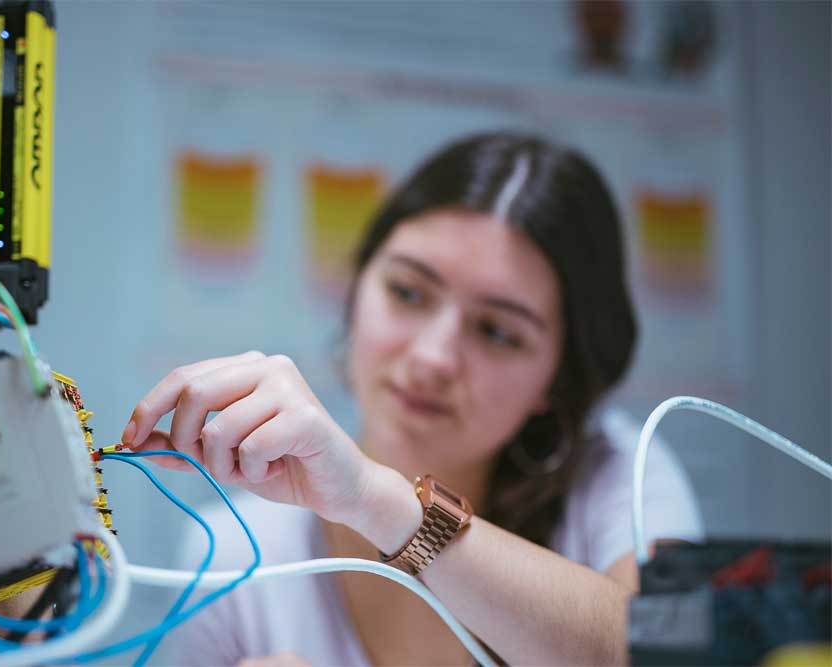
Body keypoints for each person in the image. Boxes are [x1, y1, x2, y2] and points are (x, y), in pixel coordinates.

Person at [121, 132, 703, 666]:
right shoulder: (232, 555)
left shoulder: (624, 476)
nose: (432, 357)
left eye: (497, 332)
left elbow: (669, 650)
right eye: (407, 291)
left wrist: (380, 502)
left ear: (558, 378)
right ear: (357, 287)